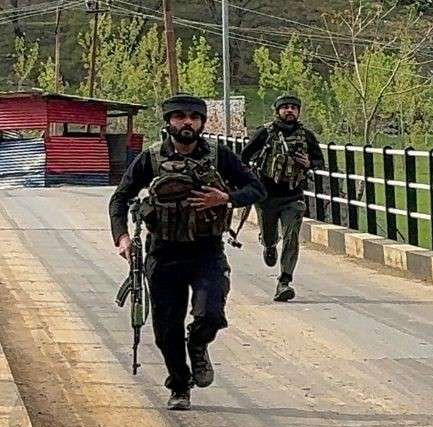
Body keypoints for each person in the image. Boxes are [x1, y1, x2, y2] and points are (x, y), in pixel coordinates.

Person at [108, 94, 265, 410]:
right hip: (163, 254)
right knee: (166, 329)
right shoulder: (151, 159)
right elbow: (120, 199)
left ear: (202, 123)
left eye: (193, 117)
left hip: (207, 252)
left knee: (211, 315)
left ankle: (198, 344)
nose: (187, 122)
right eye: (179, 116)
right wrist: (123, 238)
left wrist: (227, 198)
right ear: (168, 122)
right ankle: (179, 385)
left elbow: (256, 189)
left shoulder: (220, 157)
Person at [239, 93, 324, 301]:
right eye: (285, 107)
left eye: (293, 108)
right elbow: (244, 157)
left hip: (293, 197)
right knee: (270, 237)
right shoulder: (265, 133)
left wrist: (308, 163)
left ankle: (284, 281)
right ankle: (268, 245)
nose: (289, 111)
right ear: (277, 111)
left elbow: (319, 160)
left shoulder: (306, 136)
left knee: (291, 237)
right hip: (266, 197)